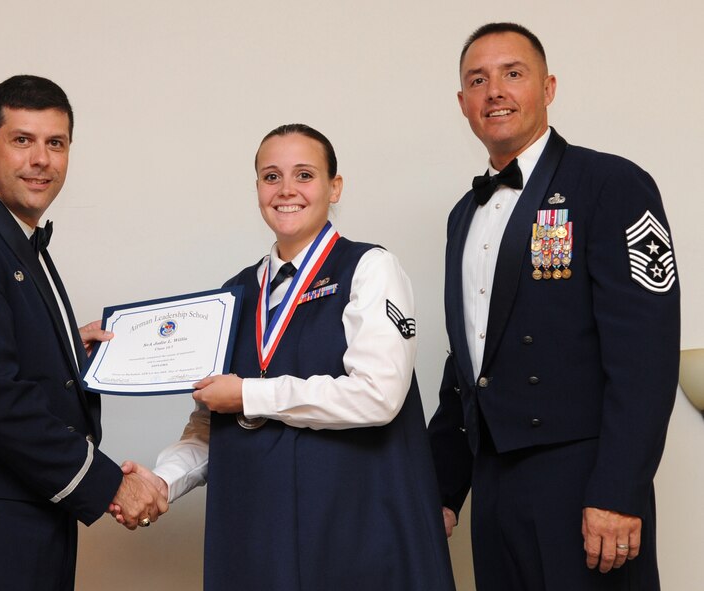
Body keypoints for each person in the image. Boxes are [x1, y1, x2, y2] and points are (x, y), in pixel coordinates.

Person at [118, 124, 455, 590]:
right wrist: (161, 482)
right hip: (257, 540)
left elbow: (378, 395)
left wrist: (249, 394)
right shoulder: (230, 296)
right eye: (271, 176)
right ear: (257, 188)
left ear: (334, 186)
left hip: (355, 532)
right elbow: (207, 428)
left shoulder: (370, 268)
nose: (286, 190)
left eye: (304, 174)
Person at [427, 23, 679, 590]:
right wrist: (442, 489)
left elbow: (646, 356)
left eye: (512, 73)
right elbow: (466, 363)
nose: (495, 90)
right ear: (463, 103)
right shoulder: (462, 216)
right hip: (493, 487)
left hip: (585, 481)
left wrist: (618, 491)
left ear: (549, 87)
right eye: (478, 79)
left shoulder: (613, 184)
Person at [0, 75, 167, 590]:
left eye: (55, 143)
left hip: (30, 515)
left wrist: (64, 349)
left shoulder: (14, 240)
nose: (41, 159)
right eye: (22, 140)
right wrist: (112, 484)